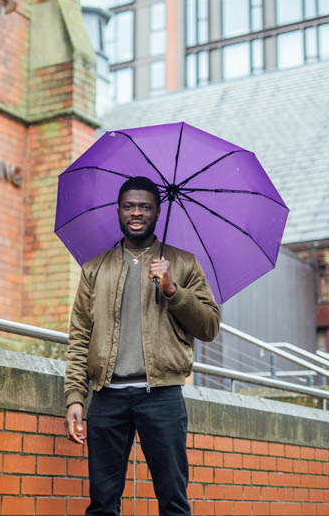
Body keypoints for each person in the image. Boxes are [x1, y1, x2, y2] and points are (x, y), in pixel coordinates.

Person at [64, 176, 220, 515]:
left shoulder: (183, 263)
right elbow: (79, 338)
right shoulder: (94, 269)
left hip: (162, 395)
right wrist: (76, 397)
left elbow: (209, 326)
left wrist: (172, 291)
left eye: (145, 207)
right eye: (129, 206)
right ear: (118, 211)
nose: (136, 213)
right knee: (102, 503)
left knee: (173, 501)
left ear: (157, 212)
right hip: (106, 397)